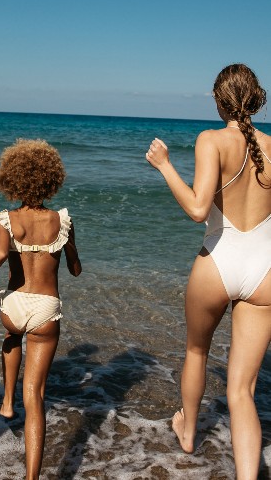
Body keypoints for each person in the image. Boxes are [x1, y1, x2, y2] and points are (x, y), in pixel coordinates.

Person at [146, 64, 270, 479]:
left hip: (219, 260)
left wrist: (164, 165)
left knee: (197, 351)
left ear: (219, 101)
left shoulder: (211, 140)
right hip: (266, 270)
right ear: (255, 98)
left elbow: (199, 209)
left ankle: (187, 434)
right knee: (242, 391)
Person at [0, 139, 81, 479]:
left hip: (14, 304)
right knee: (37, 397)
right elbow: (75, 268)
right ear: (51, 180)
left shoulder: (6, 220)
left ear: (11, 180)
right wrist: (68, 253)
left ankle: (7, 398)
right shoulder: (63, 220)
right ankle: (32, 477)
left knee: (12, 336)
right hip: (45, 309)